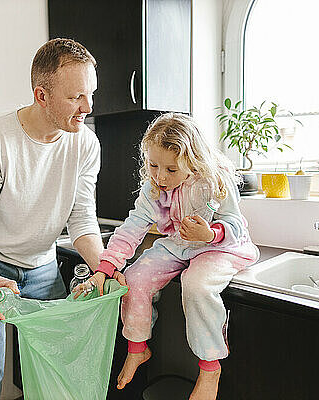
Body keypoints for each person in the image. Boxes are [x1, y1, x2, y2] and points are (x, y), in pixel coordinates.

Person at [0, 38, 125, 399]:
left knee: (60, 365)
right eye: (76, 97)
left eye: (91, 94)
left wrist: (106, 269)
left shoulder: (85, 143)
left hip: (42, 267)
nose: (87, 107)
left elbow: (82, 219)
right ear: (42, 95)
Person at [81, 113, 259, 400]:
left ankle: (210, 368)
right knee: (134, 279)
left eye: (171, 169)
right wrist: (106, 265)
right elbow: (133, 226)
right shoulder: (154, 188)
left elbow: (235, 224)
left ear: (193, 162)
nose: (161, 176)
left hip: (220, 245)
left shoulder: (214, 180)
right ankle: (138, 348)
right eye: (153, 165)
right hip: (179, 244)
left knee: (197, 284)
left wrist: (210, 234)